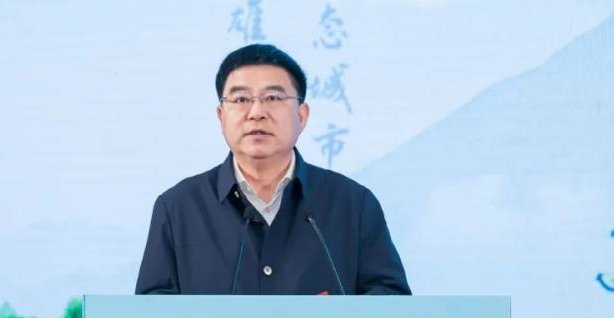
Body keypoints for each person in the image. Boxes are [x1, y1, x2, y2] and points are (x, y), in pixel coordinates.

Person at [135, 44, 410, 295]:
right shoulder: (178, 207)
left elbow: (391, 302)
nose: (256, 112)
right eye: (241, 99)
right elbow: (151, 314)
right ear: (221, 116)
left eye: (273, 98)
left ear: (302, 115)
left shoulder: (353, 203)